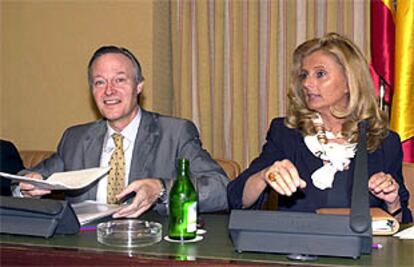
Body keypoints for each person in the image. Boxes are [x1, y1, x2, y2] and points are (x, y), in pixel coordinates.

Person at [18, 46, 229, 217]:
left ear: (139, 86)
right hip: (84, 247)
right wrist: (26, 187)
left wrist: (161, 189)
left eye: (120, 80)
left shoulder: (174, 133)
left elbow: (220, 188)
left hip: (149, 248)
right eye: (100, 82)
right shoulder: (75, 138)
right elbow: (28, 178)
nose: (109, 91)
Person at [227, 33, 412, 223]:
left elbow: (401, 222)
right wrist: (265, 175)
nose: (307, 83)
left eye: (320, 74)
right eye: (304, 75)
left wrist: (393, 201)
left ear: (350, 82)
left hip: (363, 250)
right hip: (298, 249)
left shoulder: (384, 142)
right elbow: (236, 198)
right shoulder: (286, 133)